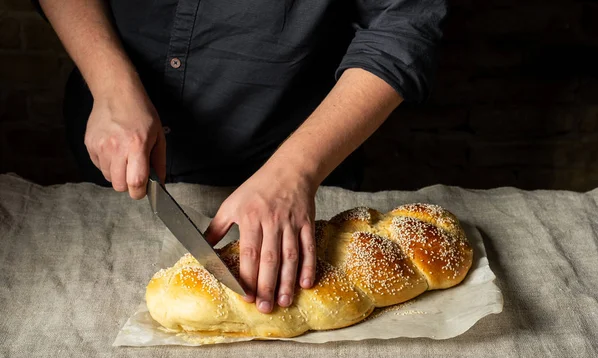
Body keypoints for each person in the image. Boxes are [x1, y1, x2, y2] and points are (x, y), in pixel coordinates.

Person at [35, 0, 447, 314]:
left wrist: (297, 170)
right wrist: (110, 83)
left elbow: (403, 22)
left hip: (293, 164)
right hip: (112, 155)